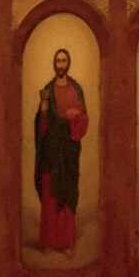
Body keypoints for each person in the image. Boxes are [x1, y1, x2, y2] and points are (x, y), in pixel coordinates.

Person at [31, 48, 88, 253]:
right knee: (50, 197)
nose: (61, 65)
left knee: (67, 196)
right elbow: (41, 128)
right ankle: (49, 242)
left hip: (69, 152)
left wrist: (74, 118)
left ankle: (66, 243)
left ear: (68, 63)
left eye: (64, 61)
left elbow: (84, 118)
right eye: (58, 61)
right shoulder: (48, 90)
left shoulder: (76, 89)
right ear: (54, 65)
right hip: (51, 154)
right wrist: (44, 112)